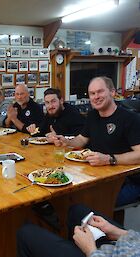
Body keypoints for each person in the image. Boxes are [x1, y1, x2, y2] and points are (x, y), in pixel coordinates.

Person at [52, 77, 140, 206]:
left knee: (82, 200)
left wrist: (109, 159)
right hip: (99, 176)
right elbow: (81, 139)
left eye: (100, 92)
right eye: (92, 93)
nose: (96, 96)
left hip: (128, 181)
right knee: (62, 192)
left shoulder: (130, 118)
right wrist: (66, 141)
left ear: (112, 92)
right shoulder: (93, 115)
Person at [17, 204, 140, 257]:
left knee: (26, 233)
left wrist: (90, 249)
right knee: (77, 210)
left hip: (99, 253)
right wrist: (117, 232)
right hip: (122, 247)